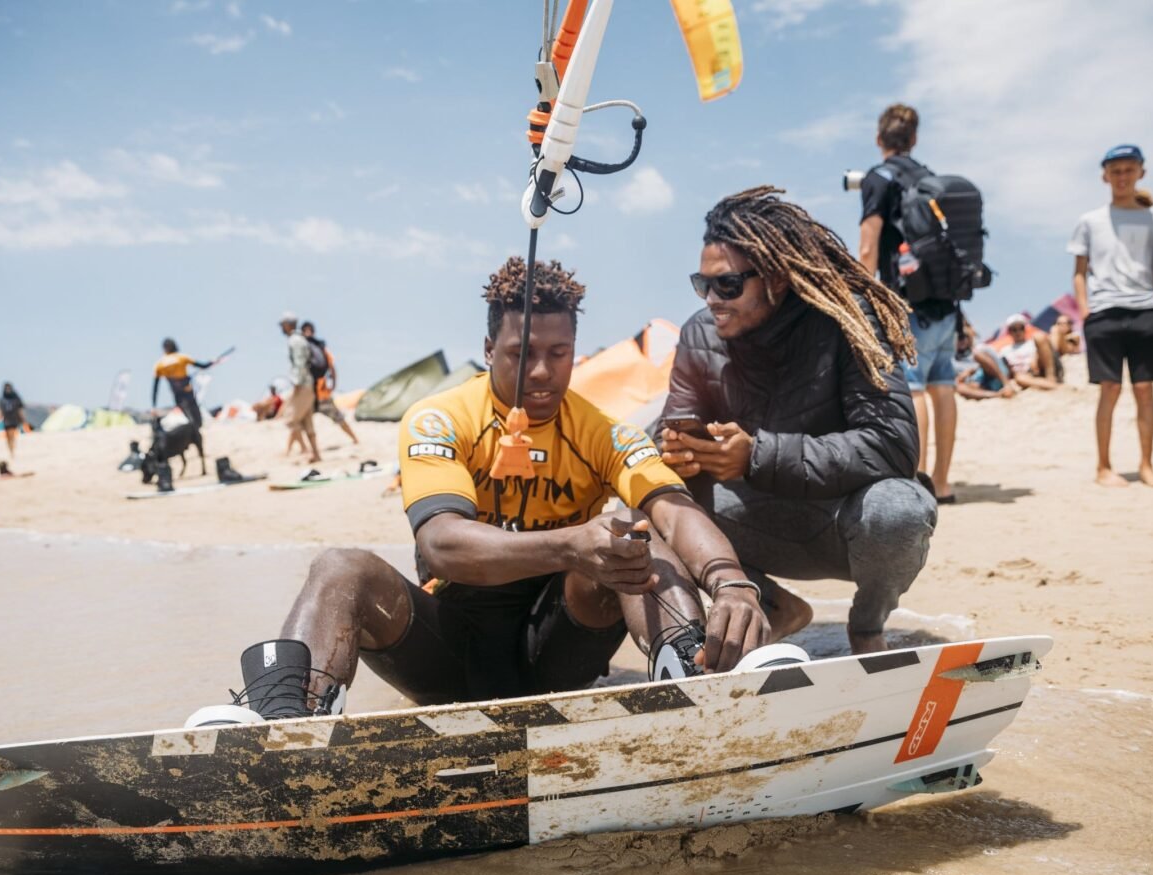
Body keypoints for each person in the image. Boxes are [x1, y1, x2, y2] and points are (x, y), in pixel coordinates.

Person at [192, 257, 773, 724]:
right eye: (522, 354)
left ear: (575, 351)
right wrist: (570, 544)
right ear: (490, 348)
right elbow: (442, 545)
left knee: (636, 536)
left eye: (558, 354)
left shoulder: (602, 431)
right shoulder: (439, 418)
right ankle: (287, 724)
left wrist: (732, 584)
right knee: (341, 566)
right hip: (449, 652)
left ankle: (692, 680)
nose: (541, 372)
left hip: (559, 650)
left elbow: (673, 510)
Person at [660, 186, 936, 655]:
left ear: (775, 278)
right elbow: (675, 432)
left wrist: (756, 455)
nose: (712, 299)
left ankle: (867, 627)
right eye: (702, 284)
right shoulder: (699, 335)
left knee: (899, 511)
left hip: (843, 522)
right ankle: (774, 606)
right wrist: (677, 450)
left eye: (727, 285)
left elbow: (893, 445)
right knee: (654, 504)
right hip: (752, 522)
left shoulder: (848, 321)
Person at [858, 103, 959, 504]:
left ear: (878, 138)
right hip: (946, 301)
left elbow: (869, 246)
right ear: (914, 139)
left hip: (907, 302)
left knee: (914, 390)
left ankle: (916, 483)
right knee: (943, 387)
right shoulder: (931, 179)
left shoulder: (879, 178)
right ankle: (943, 482)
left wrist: (859, 297)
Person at [1069, 144, 1153, 487]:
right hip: (1104, 312)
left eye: (1129, 169)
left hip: (1147, 309)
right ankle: (1104, 466)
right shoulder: (1090, 221)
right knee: (1110, 389)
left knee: (1145, 389)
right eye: (1115, 171)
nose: (1122, 177)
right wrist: (1085, 311)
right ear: (1105, 176)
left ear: (1141, 172)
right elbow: (1079, 272)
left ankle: (1147, 465)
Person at [300, 321, 360, 445]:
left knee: (300, 422)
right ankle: (355, 439)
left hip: (310, 393)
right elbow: (332, 367)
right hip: (323, 391)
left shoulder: (303, 349)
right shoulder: (321, 348)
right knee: (338, 417)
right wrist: (333, 384)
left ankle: (297, 449)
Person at [279, 314, 320, 463]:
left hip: (302, 384)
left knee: (290, 420)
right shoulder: (301, 339)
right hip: (309, 383)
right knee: (307, 421)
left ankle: (306, 450)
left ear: (288, 324)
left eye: (282, 324)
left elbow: (299, 362)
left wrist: (296, 383)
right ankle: (316, 454)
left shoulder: (295, 340)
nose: (281, 328)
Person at [152, 339, 212, 428]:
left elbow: (155, 387)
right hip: (188, 392)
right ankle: (196, 429)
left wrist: (154, 404)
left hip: (177, 394)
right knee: (198, 420)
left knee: (190, 419)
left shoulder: (160, 364)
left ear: (164, 348)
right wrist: (211, 362)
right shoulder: (182, 358)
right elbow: (203, 366)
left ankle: (194, 429)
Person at [999, 316, 1059, 391]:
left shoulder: (1032, 342)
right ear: (1010, 332)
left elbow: (1047, 351)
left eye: (1021, 328)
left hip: (1039, 368)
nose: (1018, 332)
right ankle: (1054, 386)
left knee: (1039, 337)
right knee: (1020, 378)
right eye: (1014, 329)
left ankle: (1051, 378)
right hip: (1023, 375)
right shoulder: (1004, 350)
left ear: (1024, 329)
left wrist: (1035, 357)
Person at [0, 382, 26, 458]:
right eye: (6, 388)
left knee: (12, 435)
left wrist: (23, 419)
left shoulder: (16, 398)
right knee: (8, 437)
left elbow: (20, 410)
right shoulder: (2, 399)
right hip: (6, 419)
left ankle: (12, 451)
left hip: (14, 419)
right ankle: (11, 450)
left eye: (9, 388)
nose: (8, 389)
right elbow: (0, 410)